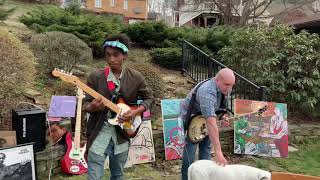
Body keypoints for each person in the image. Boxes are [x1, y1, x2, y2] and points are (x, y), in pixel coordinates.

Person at [84, 34, 154, 180]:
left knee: (117, 174)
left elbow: (149, 98)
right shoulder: (95, 77)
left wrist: (135, 112)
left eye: (116, 55)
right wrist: (92, 107)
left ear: (125, 56)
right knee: (94, 176)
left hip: (122, 134)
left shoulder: (136, 77)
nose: (111, 59)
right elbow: (84, 105)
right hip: (99, 132)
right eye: (108, 55)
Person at [180, 68, 236, 180]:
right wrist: (218, 152)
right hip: (192, 119)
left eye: (232, 85)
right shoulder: (207, 92)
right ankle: (186, 177)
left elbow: (219, 108)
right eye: (227, 85)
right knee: (190, 149)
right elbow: (211, 122)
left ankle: (205, 176)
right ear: (217, 80)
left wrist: (224, 115)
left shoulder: (223, 88)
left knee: (206, 146)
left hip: (204, 117)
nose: (229, 89)